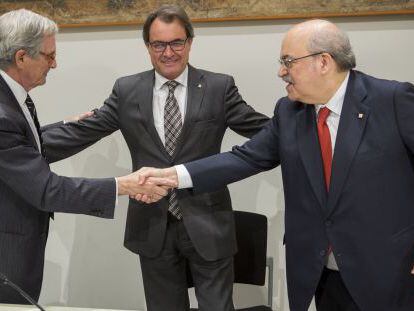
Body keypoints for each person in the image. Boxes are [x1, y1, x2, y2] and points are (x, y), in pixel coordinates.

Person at [140, 19, 414, 311]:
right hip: (323, 272)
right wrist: (172, 176)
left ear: (323, 62)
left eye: (288, 61)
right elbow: (244, 157)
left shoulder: (392, 100)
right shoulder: (290, 112)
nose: (281, 71)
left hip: (388, 270)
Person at [41, 4, 269, 310]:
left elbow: (264, 131)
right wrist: (19, 142)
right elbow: (82, 132)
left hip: (209, 222)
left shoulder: (218, 87)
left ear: (190, 41)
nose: (168, 52)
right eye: (159, 44)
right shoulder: (127, 90)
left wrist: (304, 133)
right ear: (148, 46)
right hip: (151, 226)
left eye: (176, 42)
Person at [0, 9, 172, 304]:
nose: (54, 64)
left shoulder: (12, 98)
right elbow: (47, 190)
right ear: (21, 57)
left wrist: (70, 126)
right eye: (49, 56)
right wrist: (123, 185)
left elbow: (26, 147)